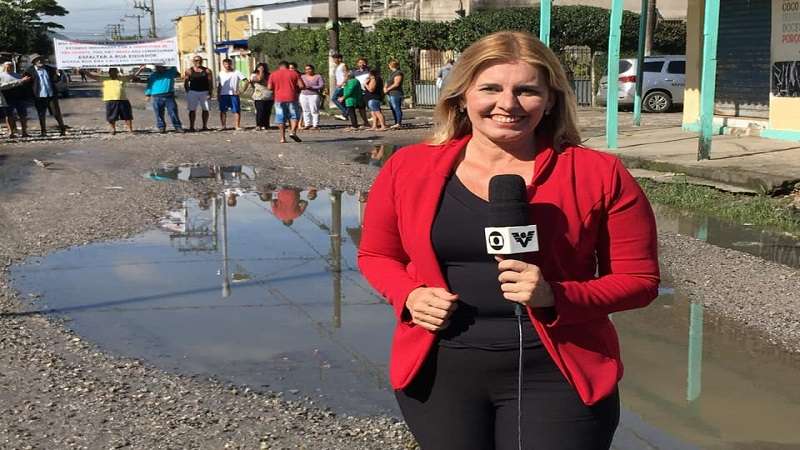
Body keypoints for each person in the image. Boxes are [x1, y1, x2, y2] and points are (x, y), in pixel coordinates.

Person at [357, 31, 659, 450]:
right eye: (491, 88)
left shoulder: (599, 174)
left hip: (558, 372)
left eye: (527, 90)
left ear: (551, 99)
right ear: (461, 96)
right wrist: (408, 295)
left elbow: (639, 280)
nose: (508, 104)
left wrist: (556, 295)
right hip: (440, 372)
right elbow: (376, 254)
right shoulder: (408, 167)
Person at [85, 66, 145, 135]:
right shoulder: (105, 78)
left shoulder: (122, 78)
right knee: (111, 117)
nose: (113, 73)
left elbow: (133, 76)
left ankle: (130, 129)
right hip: (110, 100)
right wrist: (84, 71)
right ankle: (113, 129)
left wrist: (141, 69)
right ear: (109, 73)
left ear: (117, 72)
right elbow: (92, 76)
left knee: (127, 116)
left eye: (114, 71)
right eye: (111, 71)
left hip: (123, 99)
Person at [24, 54, 66, 136]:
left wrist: (58, 74)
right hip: (39, 96)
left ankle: (62, 129)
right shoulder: (29, 71)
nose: (40, 61)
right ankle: (43, 131)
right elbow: (26, 84)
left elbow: (55, 80)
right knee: (41, 114)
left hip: (51, 95)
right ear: (33, 62)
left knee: (56, 113)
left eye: (41, 59)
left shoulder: (50, 69)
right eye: (37, 60)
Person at [267, 60, 305, 144]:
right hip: (292, 98)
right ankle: (293, 132)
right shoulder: (294, 73)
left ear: (279, 66)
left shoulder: (273, 74)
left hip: (279, 99)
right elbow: (302, 86)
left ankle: (282, 138)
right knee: (294, 116)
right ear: (288, 66)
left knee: (281, 118)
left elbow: (269, 87)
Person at [145, 64, 184, 133]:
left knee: (173, 112)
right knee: (159, 113)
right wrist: (148, 94)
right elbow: (149, 85)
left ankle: (177, 126)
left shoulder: (170, 72)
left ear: (164, 66)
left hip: (169, 96)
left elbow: (174, 65)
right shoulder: (153, 75)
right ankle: (161, 127)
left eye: (160, 66)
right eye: (157, 66)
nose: (158, 68)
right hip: (157, 96)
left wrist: (170, 58)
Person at [0, 62, 32, 138]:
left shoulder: (17, 75)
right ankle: (11, 132)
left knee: (23, 115)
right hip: (7, 98)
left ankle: (24, 132)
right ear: (4, 67)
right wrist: (19, 82)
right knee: (9, 115)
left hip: (20, 98)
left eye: (11, 66)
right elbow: (1, 86)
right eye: (8, 66)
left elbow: (23, 86)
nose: (9, 67)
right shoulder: (1, 76)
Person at [184, 55, 213, 132]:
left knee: (205, 109)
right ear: (193, 62)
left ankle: (204, 126)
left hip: (204, 91)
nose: (198, 62)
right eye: (196, 60)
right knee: (192, 110)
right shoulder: (189, 71)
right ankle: (191, 126)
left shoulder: (207, 71)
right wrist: (188, 91)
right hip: (193, 92)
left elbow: (210, 82)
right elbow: (186, 82)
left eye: (200, 60)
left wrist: (210, 92)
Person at [217, 58, 247, 131]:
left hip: (233, 94)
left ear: (231, 64)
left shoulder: (236, 72)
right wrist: (218, 94)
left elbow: (246, 81)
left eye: (229, 64)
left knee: (236, 110)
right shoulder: (220, 73)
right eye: (226, 64)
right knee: (223, 110)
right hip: (223, 94)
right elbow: (220, 85)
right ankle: (223, 126)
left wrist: (241, 91)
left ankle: (237, 126)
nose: (227, 65)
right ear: (223, 65)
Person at [249, 63, 274, 131]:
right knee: (260, 111)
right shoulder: (253, 75)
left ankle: (266, 125)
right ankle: (259, 125)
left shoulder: (269, 75)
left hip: (269, 96)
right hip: (259, 96)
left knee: (267, 111)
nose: (262, 69)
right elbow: (259, 79)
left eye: (263, 68)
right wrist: (261, 72)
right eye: (260, 68)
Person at [299, 64, 324, 130]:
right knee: (305, 110)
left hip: (314, 95)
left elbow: (321, 85)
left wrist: (312, 87)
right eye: (306, 69)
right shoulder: (302, 76)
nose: (308, 70)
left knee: (314, 110)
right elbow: (299, 84)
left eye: (309, 69)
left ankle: (315, 125)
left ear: (313, 69)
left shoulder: (318, 76)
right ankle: (307, 124)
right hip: (303, 94)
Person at [383, 59, 404, 129]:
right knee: (393, 108)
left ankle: (398, 123)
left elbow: (396, 84)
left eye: (389, 64)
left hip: (396, 93)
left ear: (391, 65)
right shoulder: (391, 73)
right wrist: (385, 87)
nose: (388, 66)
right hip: (390, 93)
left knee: (396, 108)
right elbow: (387, 82)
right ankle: (396, 122)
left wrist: (388, 89)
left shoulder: (398, 73)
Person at [350, 57, 370, 127]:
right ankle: (366, 122)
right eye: (360, 62)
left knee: (371, 108)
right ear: (357, 64)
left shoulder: (369, 71)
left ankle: (377, 123)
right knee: (361, 108)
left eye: (363, 62)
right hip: (359, 92)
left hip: (368, 91)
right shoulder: (355, 72)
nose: (362, 64)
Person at [331, 53, 349, 121]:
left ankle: (346, 112)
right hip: (339, 85)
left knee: (334, 98)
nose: (334, 60)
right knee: (342, 101)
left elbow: (346, 75)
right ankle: (345, 115)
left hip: (343, 86)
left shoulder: (343, 65)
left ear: (339, 58)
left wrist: (342, 83)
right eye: (333, 59)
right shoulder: (337, 66)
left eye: (335, 58)